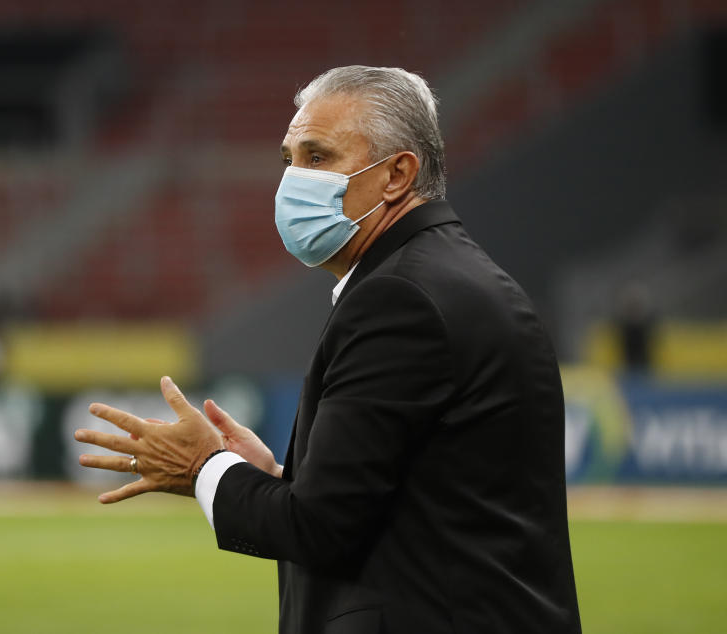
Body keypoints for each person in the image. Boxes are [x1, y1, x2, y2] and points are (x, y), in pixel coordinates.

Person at [75, 65, 582, 634]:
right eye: (289, 158)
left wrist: (203, 468)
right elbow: (416, 503)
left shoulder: (400, 297)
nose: (293, 179)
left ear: (397, 174)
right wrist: (273, 477)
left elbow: (318, 528)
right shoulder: (452, 276)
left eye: (317, 157)